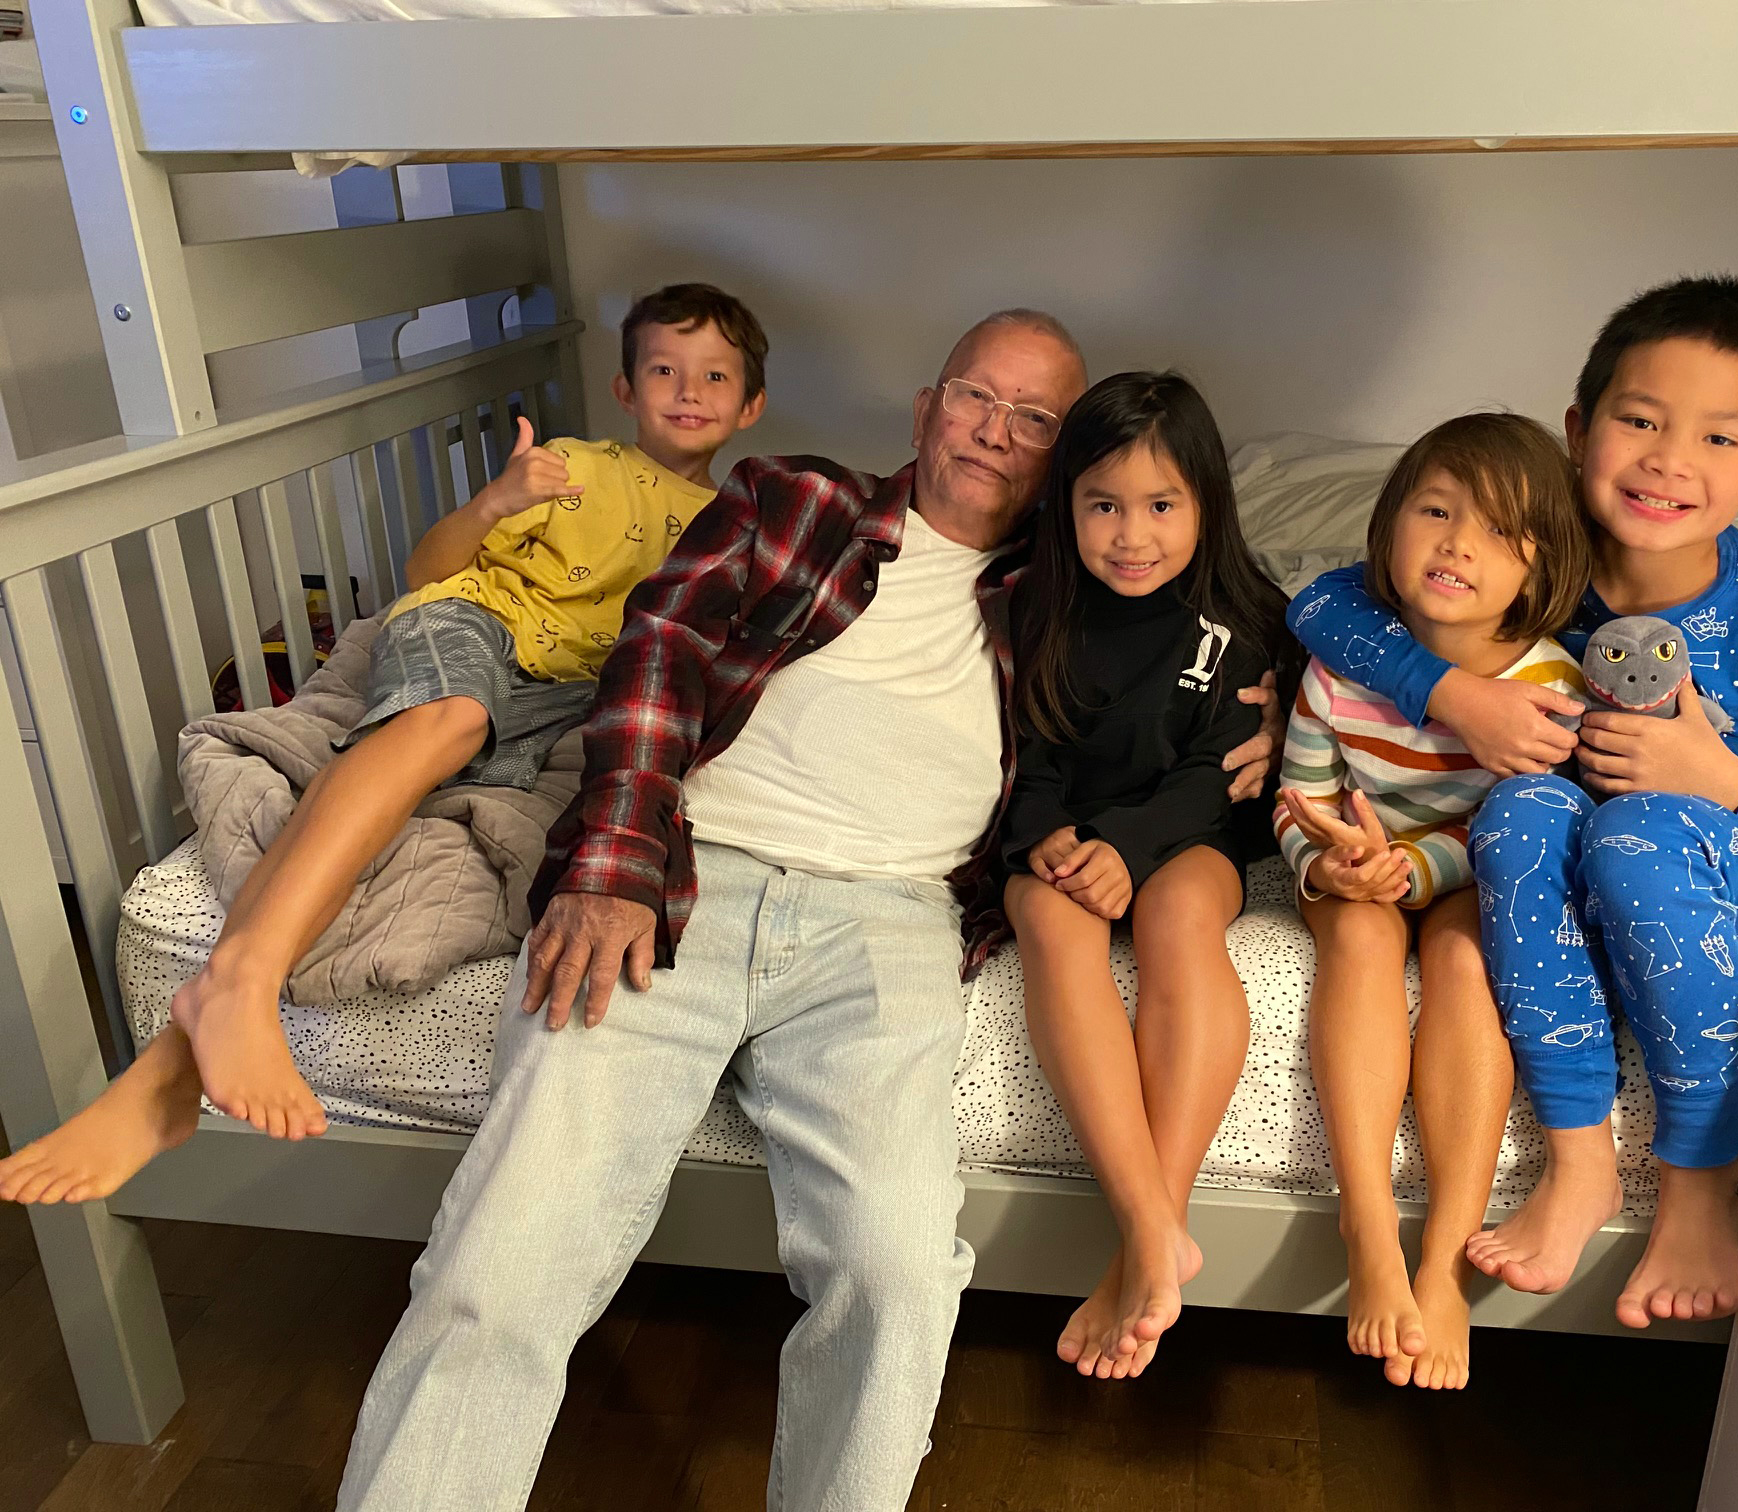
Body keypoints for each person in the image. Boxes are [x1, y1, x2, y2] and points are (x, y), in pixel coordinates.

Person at [331, 313, 1285, 1512]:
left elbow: (1226, 628)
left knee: (897, 1273)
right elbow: (659, 649)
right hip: (689, 875)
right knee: (509, 1252)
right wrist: (613, 862)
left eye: (1035, 418)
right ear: (928, 406)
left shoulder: (1077, 589)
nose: (995, 431)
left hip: (893, 919)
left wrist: (1277, 719)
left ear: (1067, 457)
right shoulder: (795, 501)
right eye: (975, 396)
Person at [0, 282, 770, 1207]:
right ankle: (238, 980)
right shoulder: (572, 467)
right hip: (477, 625)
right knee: (450, 721)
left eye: (714, 376)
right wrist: (497, 501)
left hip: (569, 694)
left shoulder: (737, 528)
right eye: (663, 370)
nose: (687, 391)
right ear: (625, 388)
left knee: (415, 814)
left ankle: (173, 1067)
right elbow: (429, 570)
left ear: (750, 405)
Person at [1285, 277, 1738, 1329]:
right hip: (1588, 859)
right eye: (1641, 421)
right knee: (1520, 811)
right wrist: (1455, 695)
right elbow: (1325, 602)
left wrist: (1718, 776)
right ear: (1578, 432)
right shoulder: (1539, 559)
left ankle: (1697, 1183)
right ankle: (1581, 1162)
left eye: (1718, 438)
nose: (1669, 460)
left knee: (1640, 829)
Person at [1275, 413, 1589, 1390]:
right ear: (1390, 526)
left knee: (1465, 958)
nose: (1457, 544)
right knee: (1362, 944)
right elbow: (1299, 795)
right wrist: (1327, 861)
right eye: (1437, 512)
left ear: (1543, 565)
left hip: (1463, 869)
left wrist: (1414, 871)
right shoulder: (1346, 660)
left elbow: (1518, 827)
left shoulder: (1552, 687)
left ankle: (1446, 1255)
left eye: (1498, 530)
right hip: (1354, 866)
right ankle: (1368, 1222)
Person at [1000, 372, 1294, 1382]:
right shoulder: (1037, 608)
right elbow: (1025, 752)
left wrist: (1129, 850)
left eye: (1162, 505)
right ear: (1066, 506)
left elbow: (1220, 773)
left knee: (1179, 918)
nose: (1133, 536)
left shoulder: (1239, 619)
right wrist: (1049, 838)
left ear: (1205, 503)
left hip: (1189, 837)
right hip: (1062, 834)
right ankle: (1154, 1227)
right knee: (1048, 918)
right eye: (1104, 506)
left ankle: (1141, 1244)